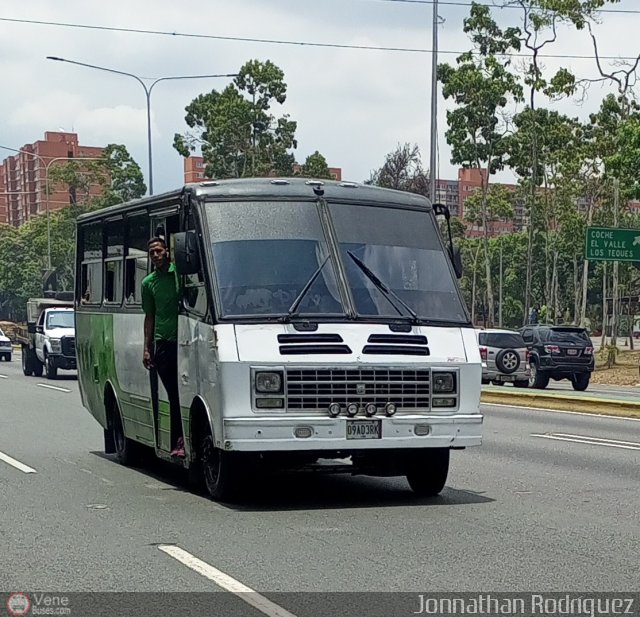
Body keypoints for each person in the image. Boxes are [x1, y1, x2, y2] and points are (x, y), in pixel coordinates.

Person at [141, 236, 185, 458]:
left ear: (167, 251)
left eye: (159, 251)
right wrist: (147, 348)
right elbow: (149, 317)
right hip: (164, 344)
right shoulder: (148, 283)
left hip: (186, 343)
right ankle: (178, 442)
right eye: (152, 253)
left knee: (185, 394)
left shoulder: (181, 274)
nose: (156, 255)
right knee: (174, 394)